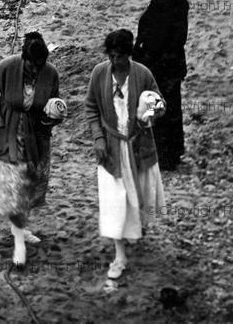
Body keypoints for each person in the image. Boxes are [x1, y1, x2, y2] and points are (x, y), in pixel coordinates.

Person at [85, 29, 167, 280]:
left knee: (138, 196)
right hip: (111, 149)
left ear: (128, 55)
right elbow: (90, 107)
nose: (114, 61)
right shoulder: (100, 72)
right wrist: (98, 139)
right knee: (114, 201)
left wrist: (152, 112)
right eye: (110, 56)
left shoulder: (142, 74)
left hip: (138, 146)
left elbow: (160, 103)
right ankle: (119, 254)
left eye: (119, 56)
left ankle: (135, 230)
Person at [0, 32, 63, 266]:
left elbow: (52, 104)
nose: (35, 70)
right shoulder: (7, 67)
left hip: (36, 138)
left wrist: (53, 119)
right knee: (14, 189)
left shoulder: (51, 73)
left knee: (28, 186)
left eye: (40, 65)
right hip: (7, 133)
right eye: (31, 64)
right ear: (23, 57)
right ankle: (19, 242)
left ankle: (19, 227)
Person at [133, 0, 189, 171]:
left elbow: (157, 39)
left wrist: (142, 59)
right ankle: (173, 153)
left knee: (160, 110)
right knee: (172, 108)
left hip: (160, 66)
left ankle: (165, 156)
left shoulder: (162, 1)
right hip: (173, 63)